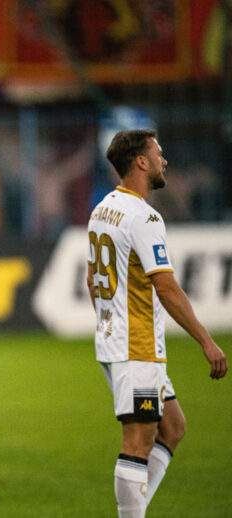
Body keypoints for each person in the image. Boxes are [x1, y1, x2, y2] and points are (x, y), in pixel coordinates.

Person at [86, 130, 227, 517]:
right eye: (158, 153)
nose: (164, 160)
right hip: (136, 344)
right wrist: (206, 341)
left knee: (173, 427)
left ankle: (134, 511)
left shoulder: (102, 209)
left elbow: (90, 279)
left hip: (120, 340)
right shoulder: (144, 216)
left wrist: (110, 321)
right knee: (138, 440)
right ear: (141, 162)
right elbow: (166, 287)